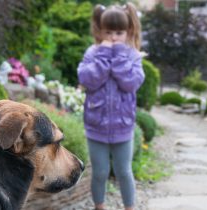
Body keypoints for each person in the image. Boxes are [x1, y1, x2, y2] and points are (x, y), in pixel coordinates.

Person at [77, 2, 145, 210]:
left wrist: (119, 59)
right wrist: (105, 56)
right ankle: (100, 206)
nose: (114, 37)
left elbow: (131, 83)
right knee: (99, 172)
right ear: (100, 30)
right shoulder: (93, 52)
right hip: (96, 126)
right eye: (109, 32)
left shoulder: (132, 55)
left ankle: (129, 207)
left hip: (123, 127)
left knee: (124, 171)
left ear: (128, 31)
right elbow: (87, 79)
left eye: (119, 32)